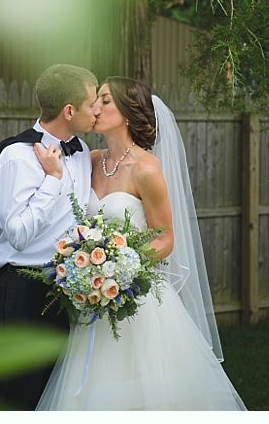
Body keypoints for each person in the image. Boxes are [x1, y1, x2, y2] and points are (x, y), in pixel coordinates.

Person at [34, 77, 245, 410]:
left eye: (105, 101)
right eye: (95, 101)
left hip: (137, 304)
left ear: (128, 112)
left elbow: (166, 239)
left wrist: (119, 266)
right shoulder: (90, 161)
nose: (96, 108)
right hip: (94, 300)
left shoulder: (146, 169)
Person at [0, 64, 100, 410]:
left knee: (59, 392)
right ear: (69, 111)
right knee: (19, 393)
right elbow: (18, 234)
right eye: (92, 103)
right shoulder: (15, 158)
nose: (97, 110)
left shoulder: (80, 151)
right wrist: (52, 179)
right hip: (22, 291)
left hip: (69, 286)